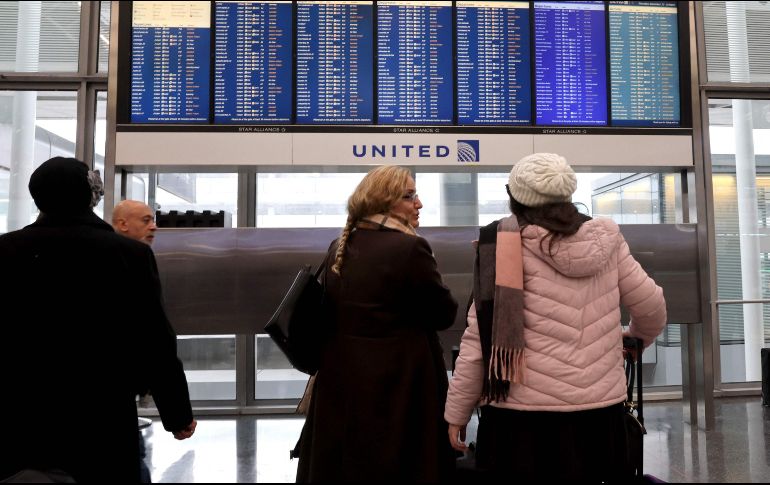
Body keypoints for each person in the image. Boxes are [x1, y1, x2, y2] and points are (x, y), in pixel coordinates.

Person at [445, 153, 667, 483]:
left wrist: (457, 412)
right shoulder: (606, 241)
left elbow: (479, 342)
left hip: (520, 420)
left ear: (516, 199)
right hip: (600, 413)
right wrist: (636, 339)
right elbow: (651, 304)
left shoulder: (502, 245)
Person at [0, 157, 197, 483]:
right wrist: (177, 413)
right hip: (102, 415)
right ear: (91, 196)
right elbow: (155, 340)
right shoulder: (128, 255)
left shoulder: (5, 251)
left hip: (19, 414)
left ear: (37, 198)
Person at [295, 165, 459, 483]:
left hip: (341, 384)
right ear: (384, 202)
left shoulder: (339, 247)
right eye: (409, 196)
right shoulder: (411, 248)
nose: (419, 203)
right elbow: (443, 314)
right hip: (400, 389)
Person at [111, 199, 161, 483]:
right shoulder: (132, 259)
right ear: (122, 224)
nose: (153, 226)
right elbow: (155, 336)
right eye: (145, 220)